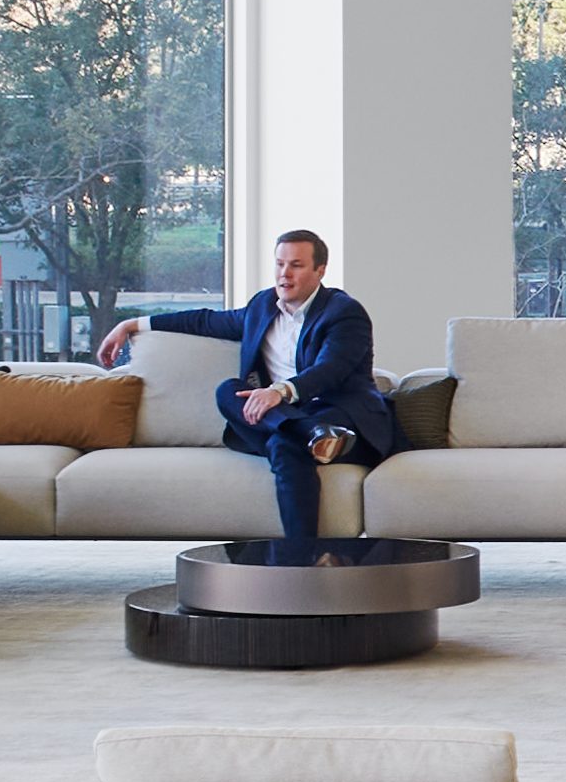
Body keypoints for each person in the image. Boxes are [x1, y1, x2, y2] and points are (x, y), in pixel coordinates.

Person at [114, 228, 400, 551]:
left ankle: (299, 557)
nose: (284, 274)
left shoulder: (344, 312)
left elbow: (329, 371)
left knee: (282, 444)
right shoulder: (262, 306)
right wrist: (134, 324)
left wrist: (280, 391)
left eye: (296, 265)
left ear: (320, 270)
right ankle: (311, 435)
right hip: (303, 422)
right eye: (279, 264)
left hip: (341, 418)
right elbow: (205, 321)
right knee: (228, 392)